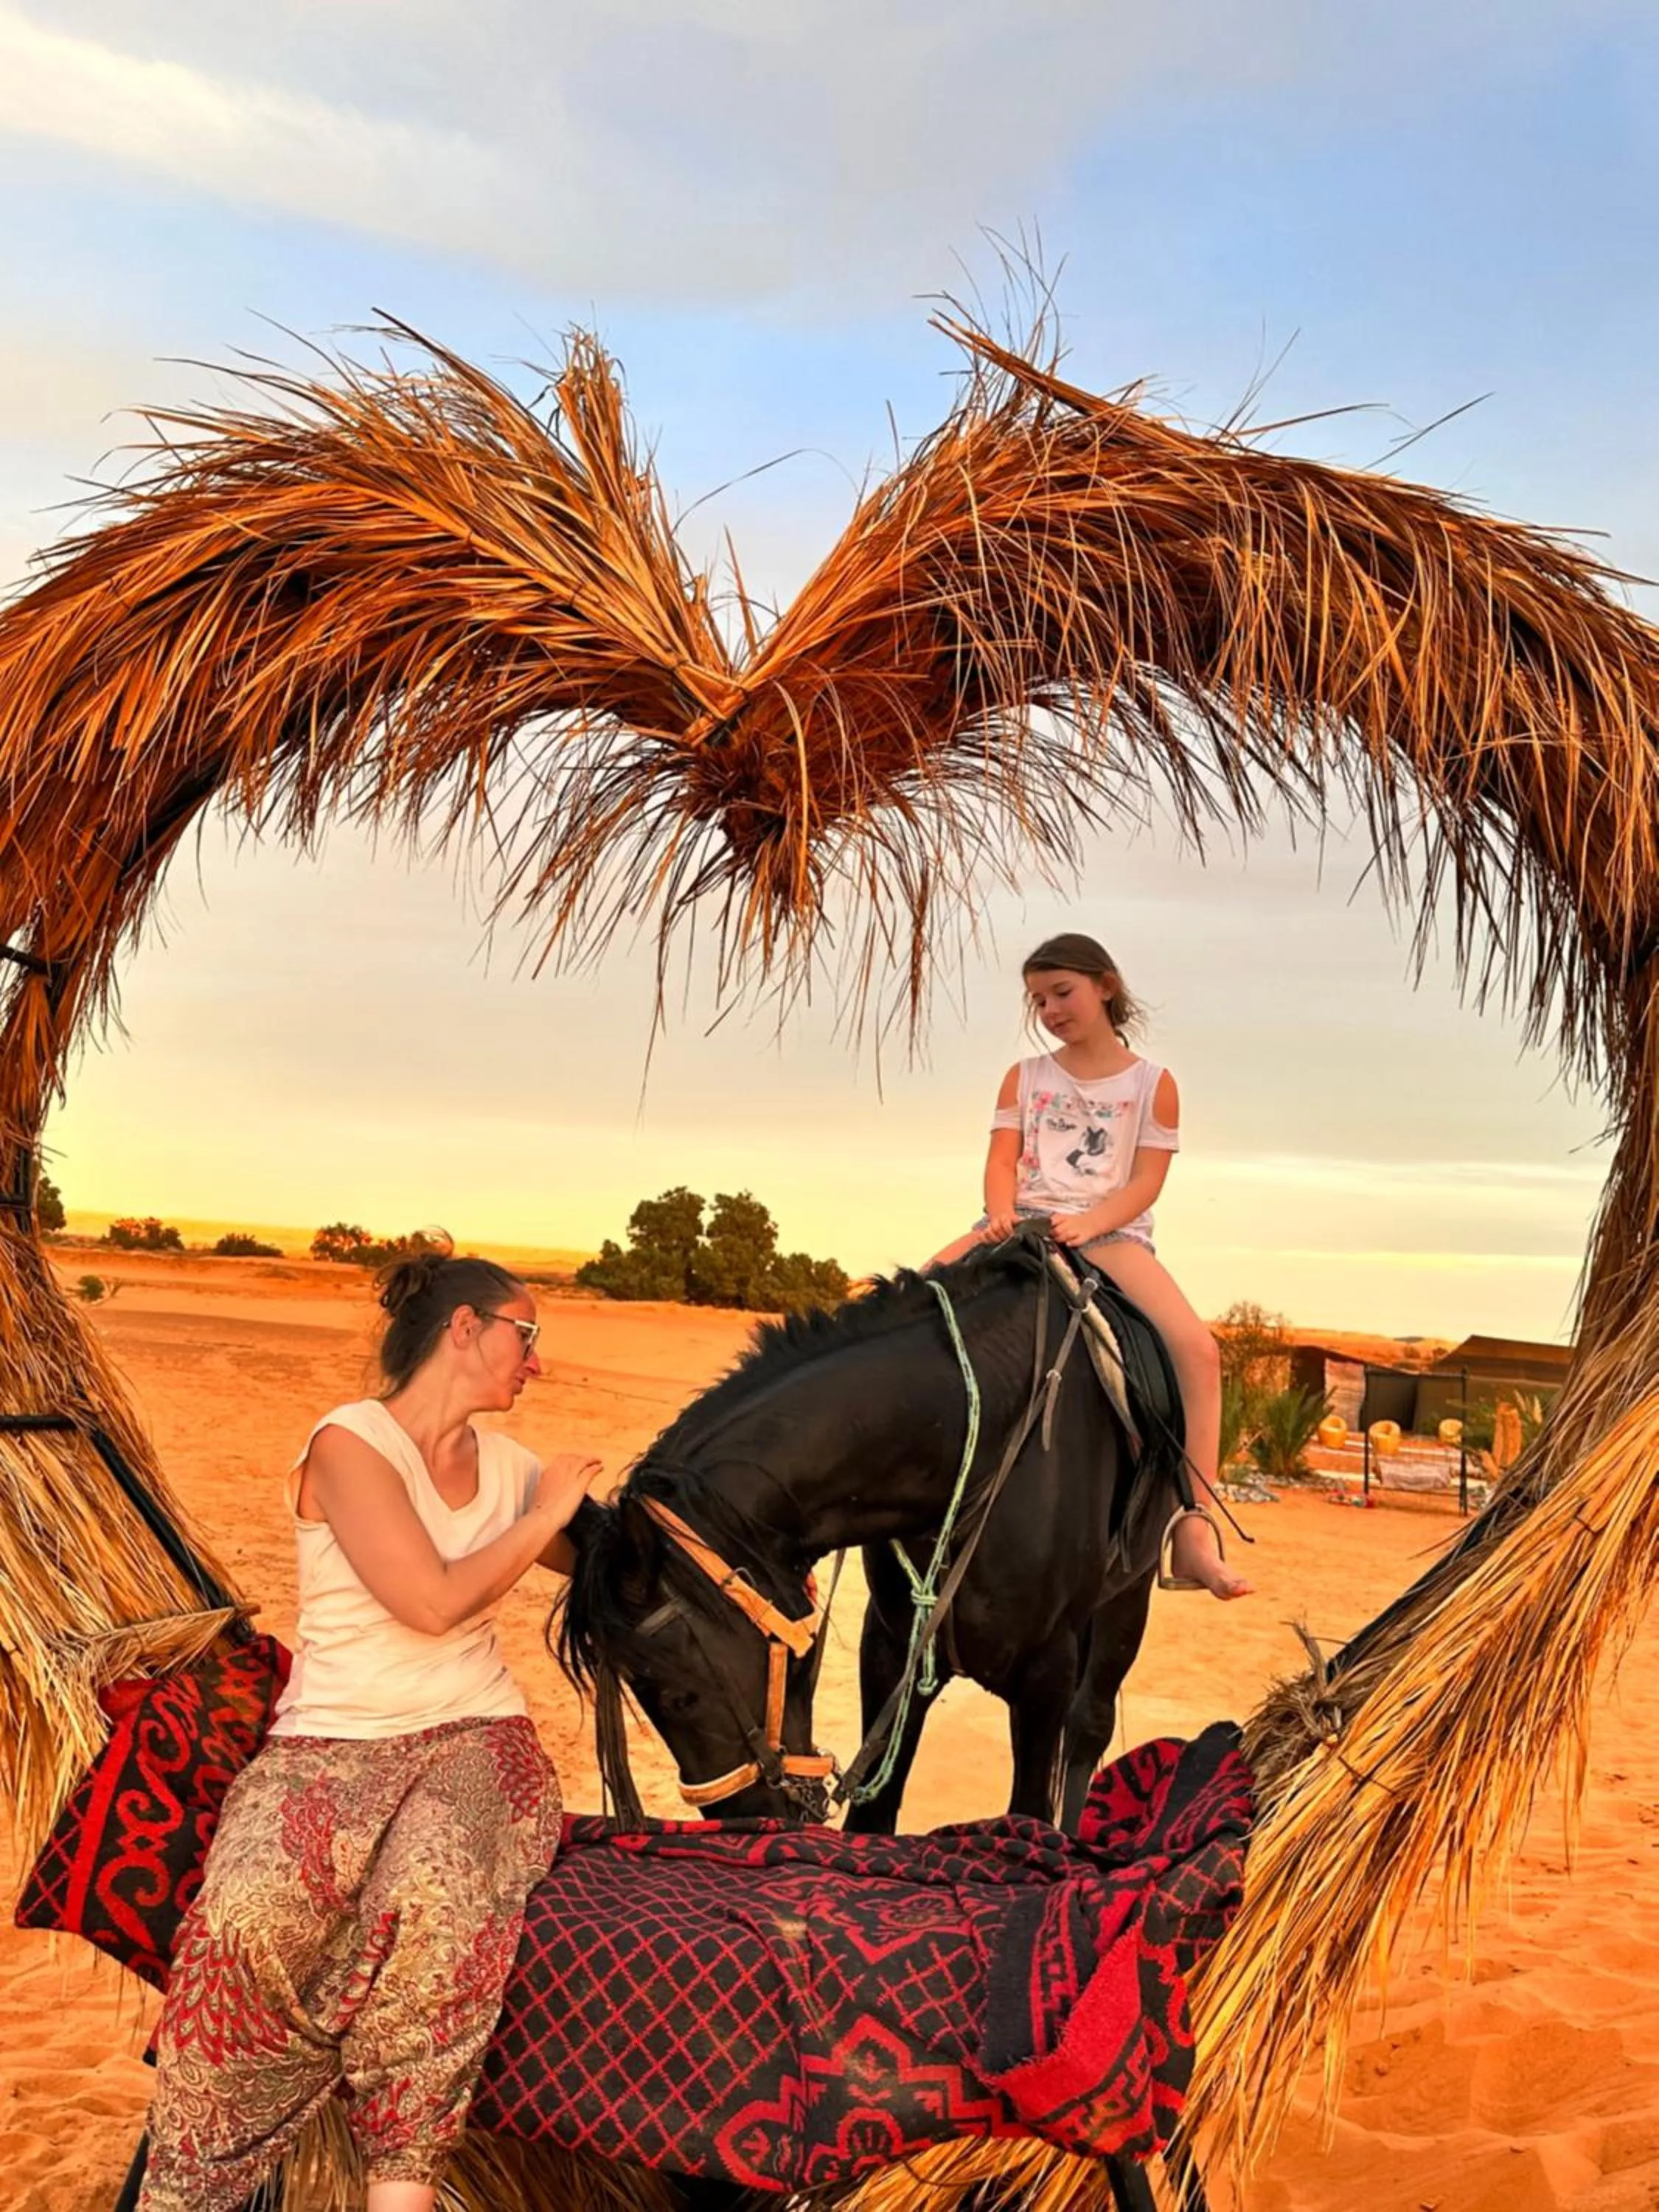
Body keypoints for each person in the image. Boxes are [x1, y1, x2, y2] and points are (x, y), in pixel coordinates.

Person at [138, 1248, 602, 2212]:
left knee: (435, 1902)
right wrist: (546, 1514)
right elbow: (427, 1601)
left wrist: (735, 1568)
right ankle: (192, 2188)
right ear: (465, 1328)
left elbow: (626, 1561)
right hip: (329, 1742)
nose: (538, 1361)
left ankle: (402, 2188)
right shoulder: (350, 1444)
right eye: (527, 1335)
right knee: (245, 1917)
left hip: (477, 1735)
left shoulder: (512, 1470)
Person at [934, 931, 1251, 1601]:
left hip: (1109, 1235)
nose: (1050, 1010)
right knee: (906, 1297)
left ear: (1106, 986)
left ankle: (1193, 1529)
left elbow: (1146, 1180)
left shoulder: (1152, 1084)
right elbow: (1001, 1159)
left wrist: (1093, 1223)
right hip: (1020, 1222)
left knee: (1198, 1351)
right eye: (1038, 1001)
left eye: (1062, 993)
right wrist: (1000, 1212)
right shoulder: (1025, 1076)